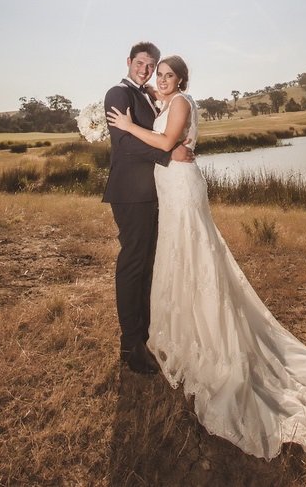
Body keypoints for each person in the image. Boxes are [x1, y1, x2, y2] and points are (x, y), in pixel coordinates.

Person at [106, 55, 306, 460]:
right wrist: (141, 95)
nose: (162, 79)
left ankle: (212, 341)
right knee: (175, 256)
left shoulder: (181, 102)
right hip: (167, 187)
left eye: (169, 74)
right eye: (159, 74)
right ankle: (177, 329)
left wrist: (130, 126)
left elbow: (168, 144)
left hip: (181, 187)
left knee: (195, 254)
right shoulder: (159, 97)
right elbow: (148, 98)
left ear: (181, 79)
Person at [103, 42, 193, 375]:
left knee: (148, 266)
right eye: (140, 63)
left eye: (150, 65)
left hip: (153, 192)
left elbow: (167, 124)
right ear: (129, 62)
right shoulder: (118, 94)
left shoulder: (148, 96)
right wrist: (168, 155)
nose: (145, 69)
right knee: (133, 264)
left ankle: (146, 336)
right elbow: (124, 142)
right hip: (130, 193)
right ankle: (130, 345)